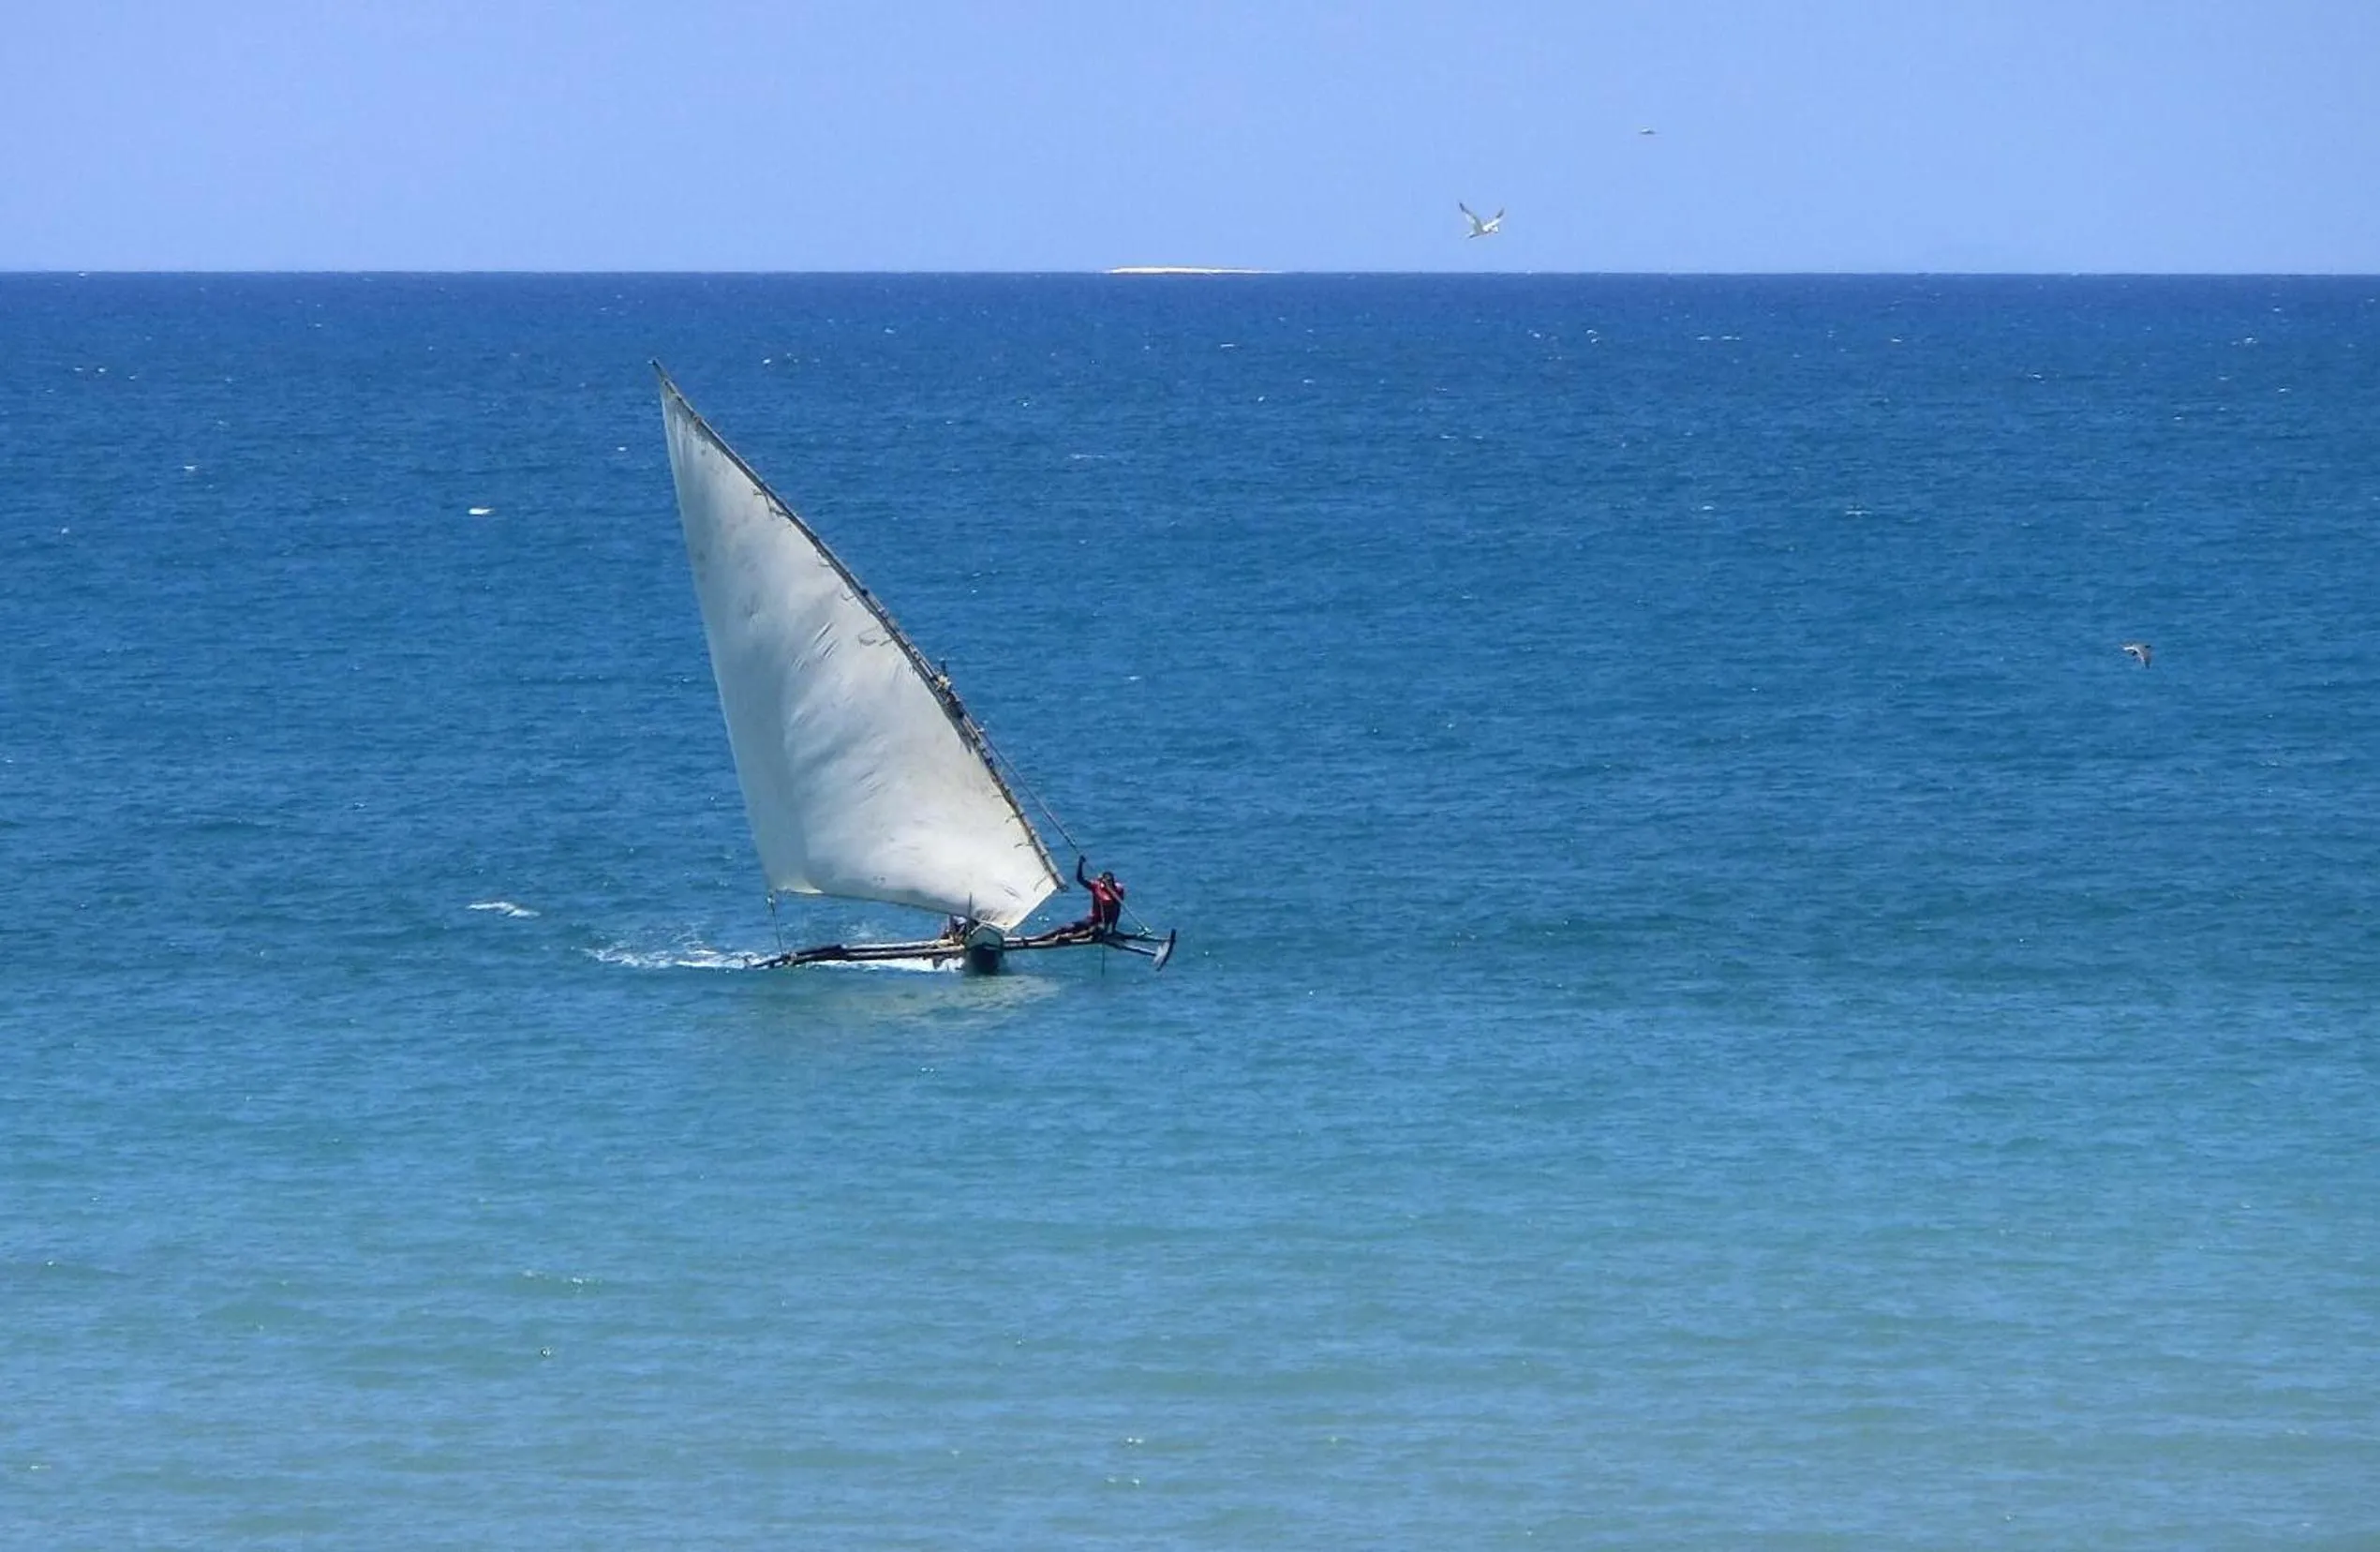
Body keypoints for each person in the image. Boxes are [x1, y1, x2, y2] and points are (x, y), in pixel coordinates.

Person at [1074, 856, 1125, 937]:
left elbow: (1117, 907)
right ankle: (1054, 936)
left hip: (1104, 922)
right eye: (1106, 881)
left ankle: (1068, 937)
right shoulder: (1096, 886)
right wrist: (1080, 864)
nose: (1108, 883)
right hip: (1093, 918)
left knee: (1096, 930)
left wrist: (1113, 929)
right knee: (1068, 927)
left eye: (1110, 881)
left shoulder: (1118, 890)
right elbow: (1080, 879)